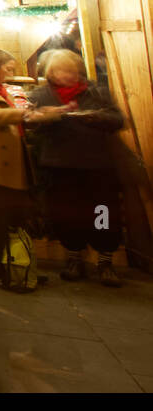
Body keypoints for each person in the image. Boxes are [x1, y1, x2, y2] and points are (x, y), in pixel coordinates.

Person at [0, 48, 69, 292]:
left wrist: (32, 116)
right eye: (8, 68)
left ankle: (15, 264)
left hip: (7, 162)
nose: (11, 73)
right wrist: (24, 115)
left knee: (10, 217)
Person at [28, 49, 127, 287]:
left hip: (97, 166)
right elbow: (28, 123)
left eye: (72, 70)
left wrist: (97, 118)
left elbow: (118, 120)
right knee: (66, 213)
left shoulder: (96, 92)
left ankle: (105, 260)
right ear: (52, 72)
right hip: (59, 166)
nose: (69, 75)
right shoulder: (42, 95)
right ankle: (74, 258)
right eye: (62, 71)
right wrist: (44, 118)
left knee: (102, 212)